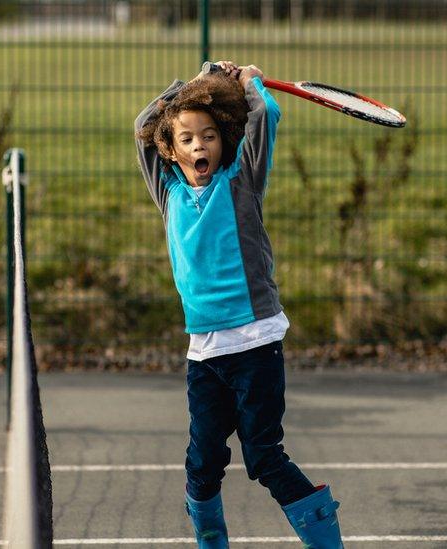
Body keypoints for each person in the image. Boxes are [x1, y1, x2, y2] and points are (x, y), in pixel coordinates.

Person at [134, 61, 345, 549]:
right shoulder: (168, 193)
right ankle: (212, 539)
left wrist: (247, 83)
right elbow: (143, 127)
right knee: (203, 462)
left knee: (264, 457)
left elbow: (265, 116)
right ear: (171, 150)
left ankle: (326, 540)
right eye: (186, 139)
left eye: (208, 135)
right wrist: (196, 82)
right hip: (204, 356)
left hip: (257, 344)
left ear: (223, 140)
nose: (198, 146)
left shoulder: (241, 181)